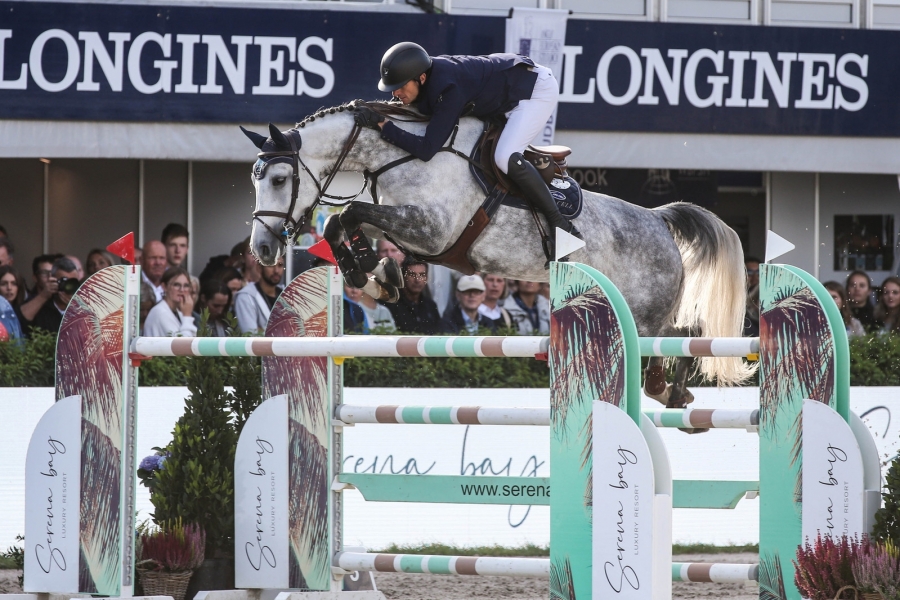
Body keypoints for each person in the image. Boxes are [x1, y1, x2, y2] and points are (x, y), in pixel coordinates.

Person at [357, 42, 581, 263]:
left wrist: (384, 126)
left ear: (421, 78)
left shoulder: (448, 88)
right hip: (505, 91)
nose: (395, 93)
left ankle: (561, 225)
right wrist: (372, 110)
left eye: (400, 86)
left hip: (533, 92)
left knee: (504, 157)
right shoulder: (427, 79)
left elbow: (426, 150)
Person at [384, 256, 441, 334]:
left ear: (427, 277)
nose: (417, 280)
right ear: (403, 276)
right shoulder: (391, 304)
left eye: (422, 275)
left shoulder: (431, 306)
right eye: (412, 274)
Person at [27, 256, 81, 335]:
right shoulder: (39, 306)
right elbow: (19, 321)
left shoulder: (83, 307)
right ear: (52, 280)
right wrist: (43, 296)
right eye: (64, 281)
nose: (68, 286)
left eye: (72, 282)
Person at [233, 258, 284, 334]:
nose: (276, 270)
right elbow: (251, 335)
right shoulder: (246, 297)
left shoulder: (287, 294)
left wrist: (262, 330)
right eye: (271, 265)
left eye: (280, 265)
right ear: (259, 268)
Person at [143, 267, 197, 337]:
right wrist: (187, 315)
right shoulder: (160, 313)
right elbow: (183, 342)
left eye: (186, 286)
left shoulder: (178, 312)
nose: (182, 290)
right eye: (176, 285)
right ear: (164, 287)